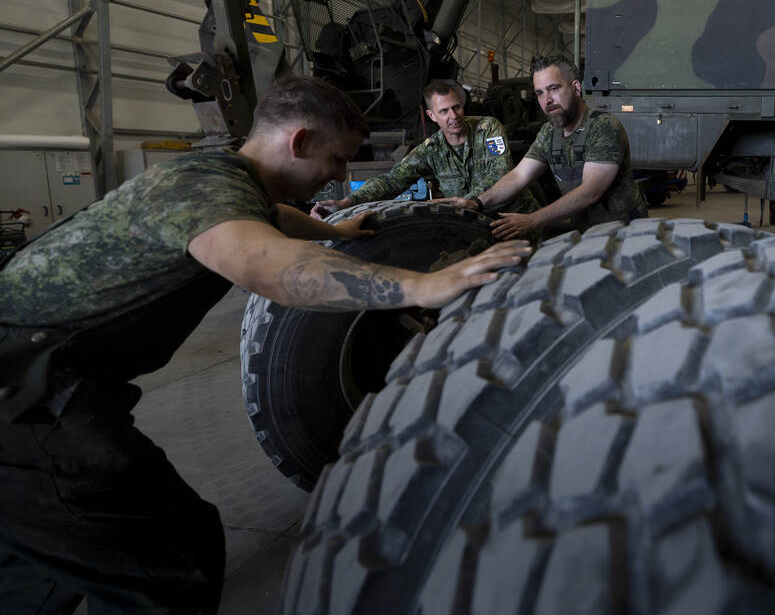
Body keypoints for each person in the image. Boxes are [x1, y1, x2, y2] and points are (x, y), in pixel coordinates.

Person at [0, 76, 528, 614]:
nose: (339, 175)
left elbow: (274, 220)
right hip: (25, 395)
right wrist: (424, 285)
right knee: (167, 565)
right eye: (337, 159)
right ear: (298, 143)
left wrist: (340, 234)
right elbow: (269, 267)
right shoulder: (209, 191)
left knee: (52, 558)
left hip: (44, 378)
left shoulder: (217, 179)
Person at [439, 57, 648, 240]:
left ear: (576, 88)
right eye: (539, 93)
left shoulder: (603, 126)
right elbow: (520, 175)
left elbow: (590, 191)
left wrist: (533, 220)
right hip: (588, 232)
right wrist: (477, 202)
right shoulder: (549, 132)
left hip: (626, 232)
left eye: (553, 89)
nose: (546, 100)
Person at [311, 79, 539, 218]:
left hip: (517, 216)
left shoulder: (487, 127)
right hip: (478, 224)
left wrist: (467, 201)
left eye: (456, 107)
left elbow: (500, 172)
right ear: (431, 115)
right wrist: (348, 202)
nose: (453, 116)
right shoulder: (431, 149)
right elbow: (392, 181)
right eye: (444, 111)